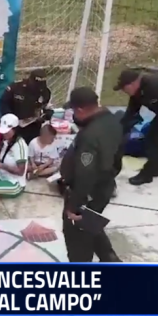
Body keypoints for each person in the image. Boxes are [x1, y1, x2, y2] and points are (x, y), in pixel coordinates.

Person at [59, 87, 122, 263]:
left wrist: (74, 205)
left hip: (87, 193)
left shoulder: (90, 136)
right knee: (91, 223)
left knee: (77, 236)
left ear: (80, 110)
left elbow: (85, 174)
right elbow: (117, 157)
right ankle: (109, 258)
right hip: (104, 185)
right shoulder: (112, 120)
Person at [0, 69, 53, 144]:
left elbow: (47, 106)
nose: (38, 88)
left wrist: (47, 113)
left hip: (33, 127)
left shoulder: (45, 92)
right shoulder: (16, 88)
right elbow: (3, 102)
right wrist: (10, 119)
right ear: (30, 80)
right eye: (36, 85)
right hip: (15, 126)